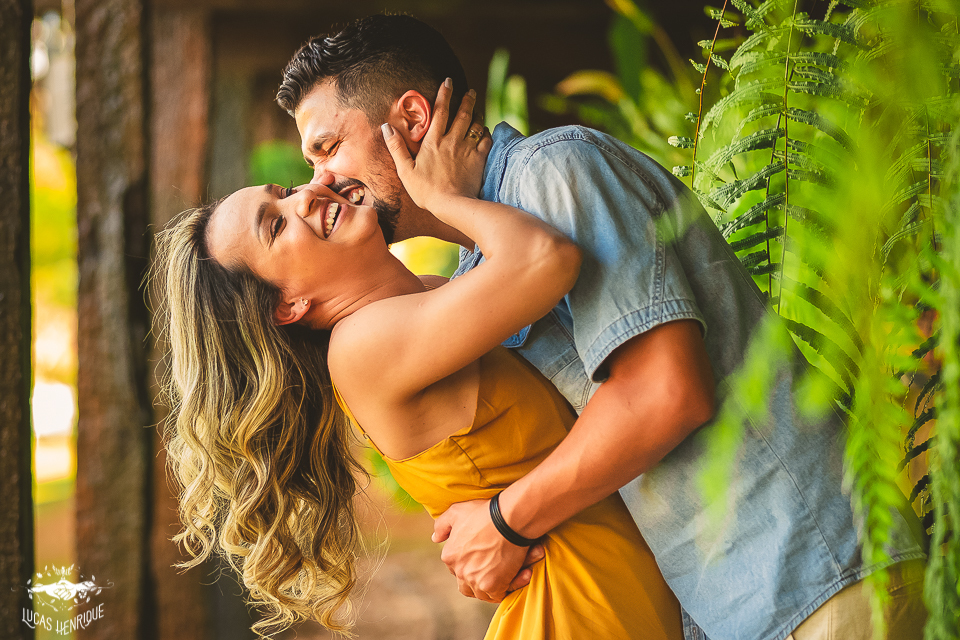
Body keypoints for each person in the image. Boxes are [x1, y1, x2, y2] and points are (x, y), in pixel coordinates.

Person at [275, 13, 929, 640]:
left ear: (413, 119)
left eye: (327, 148)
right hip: (757, 600)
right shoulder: (484, 261)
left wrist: (506, 523)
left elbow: (665, 393)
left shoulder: (552, 174)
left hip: (809, 576)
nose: (321, 182)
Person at [155, 84, 684, 639]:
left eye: (285, 191)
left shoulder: (426, 298)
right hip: (578, 607)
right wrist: (440, 197)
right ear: (287, 305)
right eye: (276, 225)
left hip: (613, 582)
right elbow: (545, 258)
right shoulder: (363, 347)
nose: (308, 193)